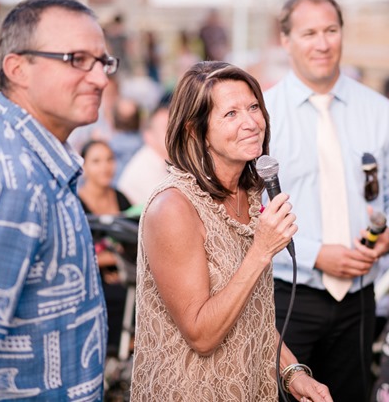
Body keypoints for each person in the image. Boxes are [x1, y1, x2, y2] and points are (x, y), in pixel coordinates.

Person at [0, 0, 118, 400]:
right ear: (17, 68)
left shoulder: (29, 153)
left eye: (103, 61)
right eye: (76, 59)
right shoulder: (12, 179)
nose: (100, 78)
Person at [129, 60, 332, 402]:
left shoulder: (252, 195)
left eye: (254, 107)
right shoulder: (173, 208)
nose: (251, 122)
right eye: (231, 114)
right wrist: (261, 250)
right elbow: (201, 335)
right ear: (195, 130)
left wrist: (292, 372)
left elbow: (252, 313)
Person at [264, 0, 389, 401]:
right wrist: (316, 252)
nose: (322, 43)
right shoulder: (261, 116)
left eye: (331, 30)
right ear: (285, 40)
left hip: (359, 300)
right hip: (285, 298)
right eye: (309, 32)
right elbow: (247, 215)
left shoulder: (382, 113)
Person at [78, 139, 133, 354]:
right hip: (92, 279)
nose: (105, 167)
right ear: (84, 167)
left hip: (127, 273)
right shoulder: (76, 202)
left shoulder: (120, 198)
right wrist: (114, 261)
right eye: (96, 161)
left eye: (109, 159)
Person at [117, 102, 170, 206]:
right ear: (149, 136)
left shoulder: (164, 161)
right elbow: (166, 206)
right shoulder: (145, 168)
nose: (174, 133)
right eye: (167, 128)